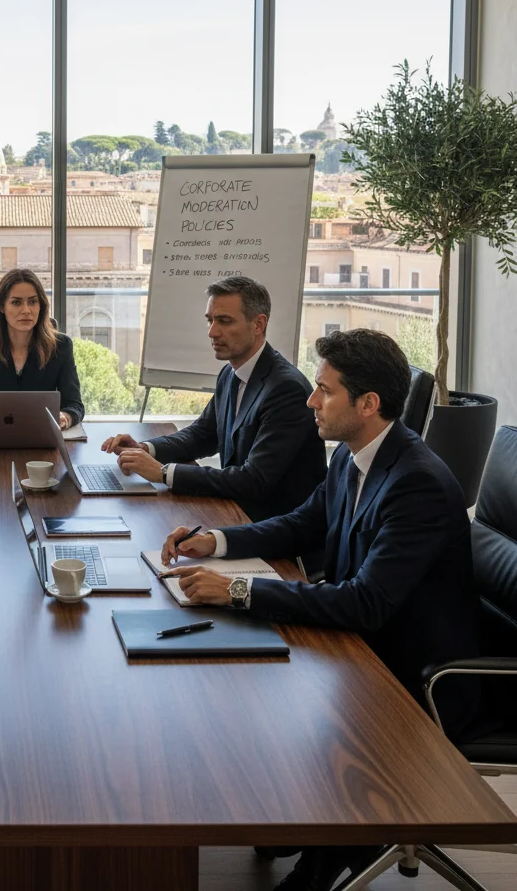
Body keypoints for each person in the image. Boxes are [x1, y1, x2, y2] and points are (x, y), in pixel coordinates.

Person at [161, 328, 482, 891]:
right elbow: (300, 524)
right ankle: (300, 820)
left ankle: (326, 853)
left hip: (415, 676)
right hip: (366, 648)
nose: (311, 400)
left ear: (368, 404)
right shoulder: (355, 457)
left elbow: (364, 602)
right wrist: (214, 540)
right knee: (233, 679)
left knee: (254, 684)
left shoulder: (417, 484)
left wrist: (237, 591)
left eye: (325, 391)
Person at [101, 276, 326, 522]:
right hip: (238, 512)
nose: (212, 332)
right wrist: (145, 449)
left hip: (274, 527)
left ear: (258, 324)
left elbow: (254, 480)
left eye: (224, 321)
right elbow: (203, 435)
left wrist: (164, 473)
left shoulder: (286, 389)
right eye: (210, 320)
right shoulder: (230, 373)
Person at [0, 268, 84, 428]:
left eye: (33, 302)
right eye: (16, 302)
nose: (26, 310)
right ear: (1, 306)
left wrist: (65, 417)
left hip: (39, 436)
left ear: (41, 306)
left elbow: (75, 405)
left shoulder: (61, 346)